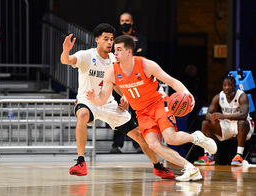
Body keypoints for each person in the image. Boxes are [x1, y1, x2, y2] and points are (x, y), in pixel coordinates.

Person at [86, 34, 218, 181]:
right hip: (141, 112)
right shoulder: (112, 72)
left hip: (159, 104)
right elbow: (102, 99)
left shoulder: (146, 65)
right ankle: (190, 168)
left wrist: (186, 93)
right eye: (115, 50)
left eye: (118, 49)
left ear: (129, 51)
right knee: (153, 145)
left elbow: (172, 81)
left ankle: (196, 138)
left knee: (171, 138)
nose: (114, 53)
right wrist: (94, 99)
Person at [60, 23, 175, 179]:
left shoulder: (116, 59)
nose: (109, 42)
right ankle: (81, 162)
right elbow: (66, 61)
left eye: (111, 39)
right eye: (105, 39)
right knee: (82, 115)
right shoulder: (87, 55)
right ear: (97, 40)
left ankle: (157, 166)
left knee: (140, 137)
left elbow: (119, 83)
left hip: (109, 104)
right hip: (88, 101)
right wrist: (66, 51)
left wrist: (124, 96)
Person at [194, 74, 254, 166]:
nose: (227, 88)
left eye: (230, 85)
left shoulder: (242, 96)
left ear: (235, 86)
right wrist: (212, 118)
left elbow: (244, 115)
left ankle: (239, 156)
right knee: (205, 123)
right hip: (227, 125)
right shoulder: (218, 96)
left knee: (242, 122)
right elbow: (207, 114)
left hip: (244, 127)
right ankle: (208, 156)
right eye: (225, 85)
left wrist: (224, 116)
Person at [110, 12, 148, 154]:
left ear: (132, 22)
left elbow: (142, 54)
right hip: (120, 80)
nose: (124, 23)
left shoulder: (141, 37)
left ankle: (138, 144)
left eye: (127, 20)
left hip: (137, 81)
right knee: (120, 111)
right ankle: (116, 145)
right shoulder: (116, 39)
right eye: (122, 20)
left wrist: (128, 57)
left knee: (137, 113)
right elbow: (115, 58)